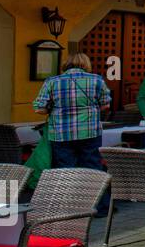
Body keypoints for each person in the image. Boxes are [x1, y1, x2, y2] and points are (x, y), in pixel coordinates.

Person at [32, 52, 112, 216]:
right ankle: (101, 208)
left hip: (61, 134)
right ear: (86, 64)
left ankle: (67, 209)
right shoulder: (96, 80)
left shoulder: (52, 81)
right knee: (93, 169)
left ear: (66, 64)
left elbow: (39, 108)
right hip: (89, 132)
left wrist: (55, 109)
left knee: (64, 171)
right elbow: (105, 105)